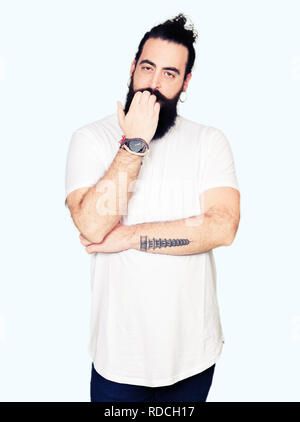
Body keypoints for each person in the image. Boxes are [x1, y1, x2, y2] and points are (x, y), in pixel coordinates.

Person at [64, 13, 240, 402]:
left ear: (186, 82)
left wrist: (127, 237)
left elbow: (221, 228)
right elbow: (93, 226)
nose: (154, 84)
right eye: (147, 68)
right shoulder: (91, 139)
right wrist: (135, 144)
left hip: (193, 355)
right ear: (132, 68)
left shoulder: (209, 141)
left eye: (170, 74)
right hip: (119, 361)